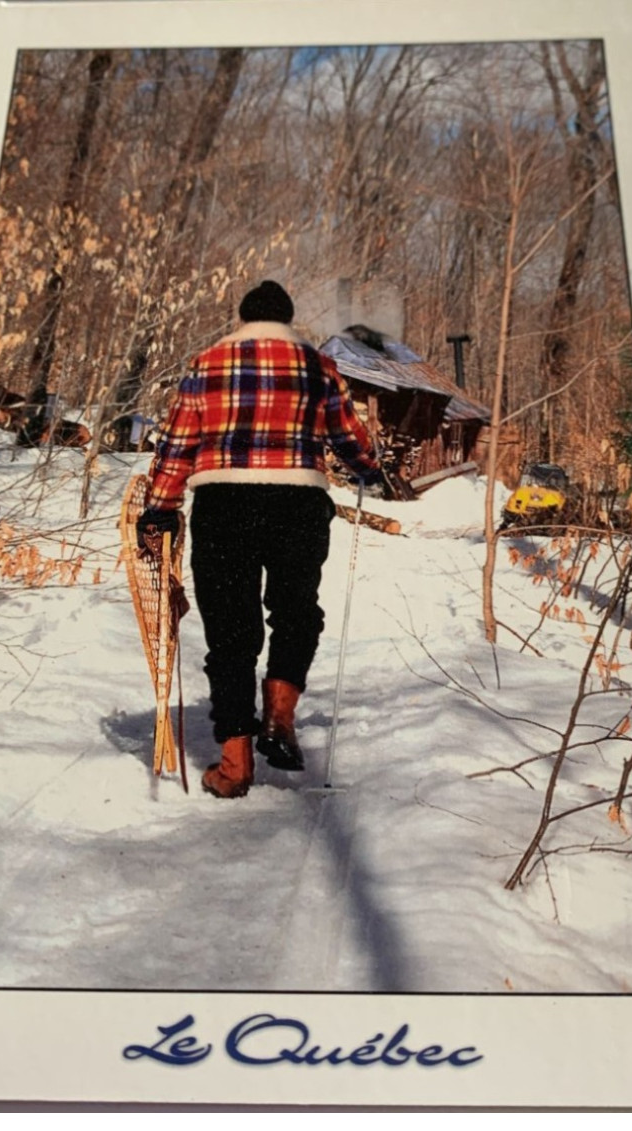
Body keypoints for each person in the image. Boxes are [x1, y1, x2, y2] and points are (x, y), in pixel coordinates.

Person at [136, 280, 382, 799]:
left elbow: (179, 444)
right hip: (297, 504)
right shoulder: (319, 367)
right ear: (288, 320)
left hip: (223, 504)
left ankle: (234, 764)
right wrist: (367, 468)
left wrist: (159, 508)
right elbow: (351, 441)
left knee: (231, 629)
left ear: (243, 318)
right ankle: (278, 719)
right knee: (295, 612)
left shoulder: (207, 364)